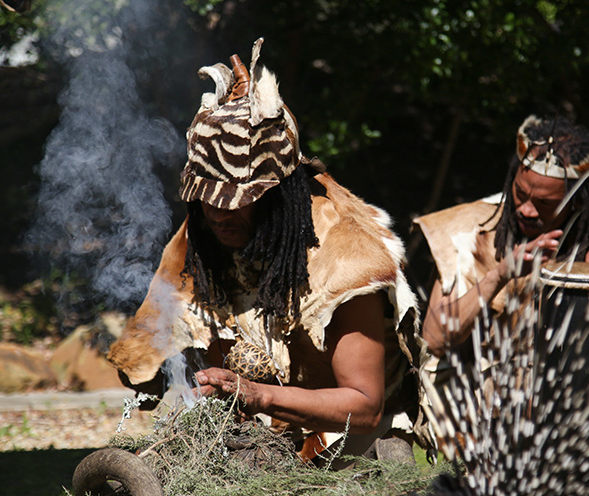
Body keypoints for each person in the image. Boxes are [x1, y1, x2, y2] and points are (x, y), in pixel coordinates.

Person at [107, 39, 428, 464]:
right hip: (252, 447)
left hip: (345, 452)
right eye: (207, 199)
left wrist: (257, 394)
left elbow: (365, 407)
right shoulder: (202, 239)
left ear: (281, 198)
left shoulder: (347, 261)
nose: (220, 215)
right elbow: (154, 346)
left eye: (238, 201)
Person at [415, 115, 589, 392]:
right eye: (519, 193)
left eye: (544, 202)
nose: (526, 210)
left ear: (577, 200)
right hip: (469, 397)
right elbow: (433, 338)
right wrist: (501, 275)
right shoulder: (470, 230)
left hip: (561, 398)